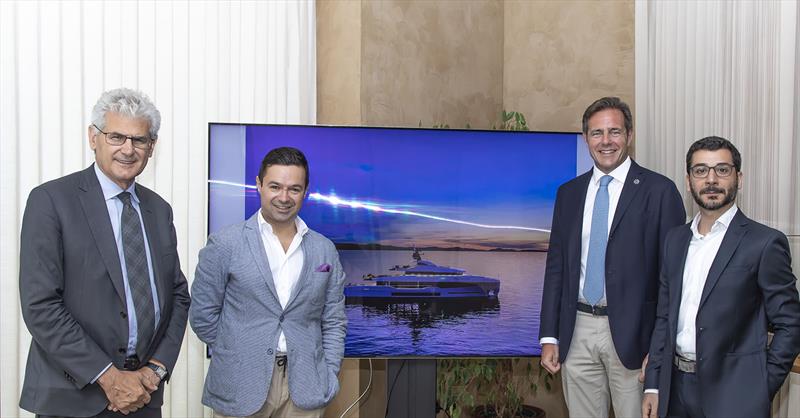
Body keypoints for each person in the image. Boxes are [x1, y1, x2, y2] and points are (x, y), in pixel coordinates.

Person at [19, 88, 191, 417]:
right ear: (93, 137)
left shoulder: (158, 210)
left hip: (142, 398)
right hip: (72, 398)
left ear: (151, 147)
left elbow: (177, 296)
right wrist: (109, 378)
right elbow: (40, 304)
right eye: (116, 137)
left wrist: (154, 371)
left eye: (139, 140)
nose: (128, 149)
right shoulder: (52, 202)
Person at [539, 97, 686, 417]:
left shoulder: (660, 191)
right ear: (586, 139)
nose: (606, 141)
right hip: (576, 331)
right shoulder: (569, 193)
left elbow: (673, 278)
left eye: (615, 132)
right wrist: (549, 336)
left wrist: (659, 348)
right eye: (597, 133)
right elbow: (556, 268)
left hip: (635, 338)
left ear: (629, 135)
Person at [642, 136, 800, 418]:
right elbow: (664, 317)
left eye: (722, 170)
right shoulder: (674, 240)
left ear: (738, 178)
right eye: (701, 170)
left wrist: (759, 388)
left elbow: (790, 324)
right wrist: (653, 385)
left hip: (735, 397)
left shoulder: (764, 243)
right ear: (689, 180)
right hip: (674, 391)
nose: (711, 179)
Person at [190, 147, 347, 417]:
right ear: (259, 185)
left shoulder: (324, 249)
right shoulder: (225, 243)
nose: (284, 197)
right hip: (240, 384)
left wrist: (329, 373)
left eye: (294, 189)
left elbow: (333, 320)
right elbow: (203, 314)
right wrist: (237, 350)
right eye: (275, 186)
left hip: (307, 387)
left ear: (306, 192)